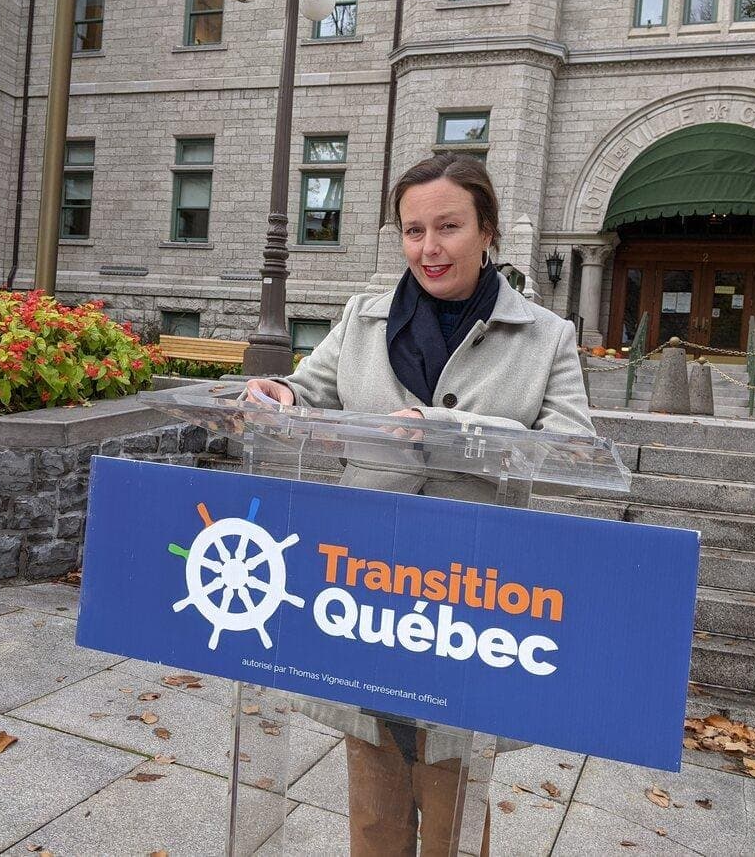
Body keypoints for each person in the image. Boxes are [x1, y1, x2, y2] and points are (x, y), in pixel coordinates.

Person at [245, 153, 594, 856]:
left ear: (488, 231)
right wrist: (280, 392)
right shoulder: (363, 316)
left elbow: (574, 449)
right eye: (413, 230)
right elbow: (311, 390)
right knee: (373, 787)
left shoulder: (547, 335)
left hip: (471, 587)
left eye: (449, 227)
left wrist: (458, 432)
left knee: (454, 795)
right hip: (367, 579)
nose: (429, 249)